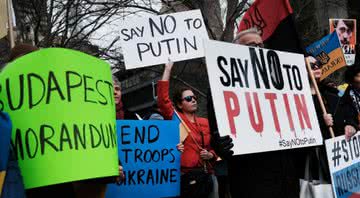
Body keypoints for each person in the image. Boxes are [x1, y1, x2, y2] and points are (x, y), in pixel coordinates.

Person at [157, 61, 218, 198]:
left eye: (194, 98)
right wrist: (168, 69)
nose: (193, 100)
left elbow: (215, 147)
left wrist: (211, 155)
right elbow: (162, 100)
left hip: (208, 174)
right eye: (189, 98)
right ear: (179, 104)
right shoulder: (176, 118)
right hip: (186, 177)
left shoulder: (205, 122)